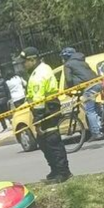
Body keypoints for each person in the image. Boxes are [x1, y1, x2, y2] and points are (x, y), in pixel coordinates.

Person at [24, 48, 72, 183]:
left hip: (46, 110)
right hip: (47, 108)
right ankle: (55, 170)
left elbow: (38, 100)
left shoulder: (39, 74)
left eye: (25, 62)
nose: (23, 65)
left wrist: (37, 120)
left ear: (32, 60)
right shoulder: (42, 69)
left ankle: (63, 172)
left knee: (52, 141)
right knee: (43, 142)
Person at [60, 47, 103, 139]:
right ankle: (103, 118)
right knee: (94, 106)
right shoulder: (82, 61)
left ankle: (96, 132)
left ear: (66, 57)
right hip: (98, 83)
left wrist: (69, 90)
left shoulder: (67, 64)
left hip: (89, 87)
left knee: (89, 110)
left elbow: (69, 79)